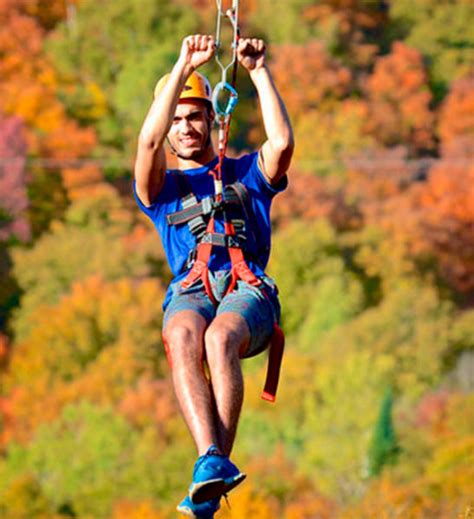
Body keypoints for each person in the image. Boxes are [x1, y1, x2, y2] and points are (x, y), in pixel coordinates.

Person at [133, 33, 293, 518]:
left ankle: (212, 465)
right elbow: (148, 141)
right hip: (192, 292)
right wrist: (182, 64)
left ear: (212, 120)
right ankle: (211, 464)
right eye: (177, 118)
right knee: (183, 331)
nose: (184, 127)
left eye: (194, 116)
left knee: (220, 338)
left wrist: (258, 71)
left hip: (247, 294)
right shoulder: (162, 189)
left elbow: (282, 142)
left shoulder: (248, 173)